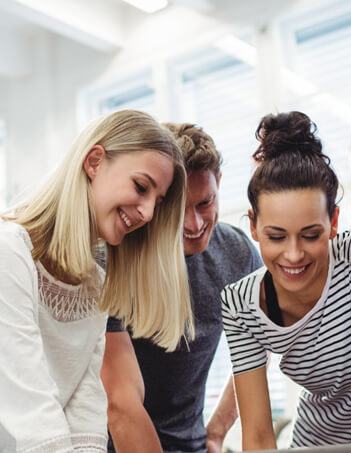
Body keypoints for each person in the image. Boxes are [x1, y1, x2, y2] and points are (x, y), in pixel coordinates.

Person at [0, 109, 193, 452]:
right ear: (94, 162)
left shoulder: (94, 284)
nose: (146, 213)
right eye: (141, 186)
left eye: (156, 203)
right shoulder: (0, 253)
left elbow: (84, 414)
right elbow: (32, 413)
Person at [221, 111, 351, 451]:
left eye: (310, 235)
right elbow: (256, 435)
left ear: (333, 222)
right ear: (254, 226)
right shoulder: (240, 304)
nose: (294, 254)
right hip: (312, 443)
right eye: (276, 237)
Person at [101, 123, 262, 453]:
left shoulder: (238, 253)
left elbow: (261, 342)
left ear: (219, 183)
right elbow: (120, 407)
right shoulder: (113, 258)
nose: (194, 224)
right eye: (178, 210)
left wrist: (216, 431)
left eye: (205, 203)